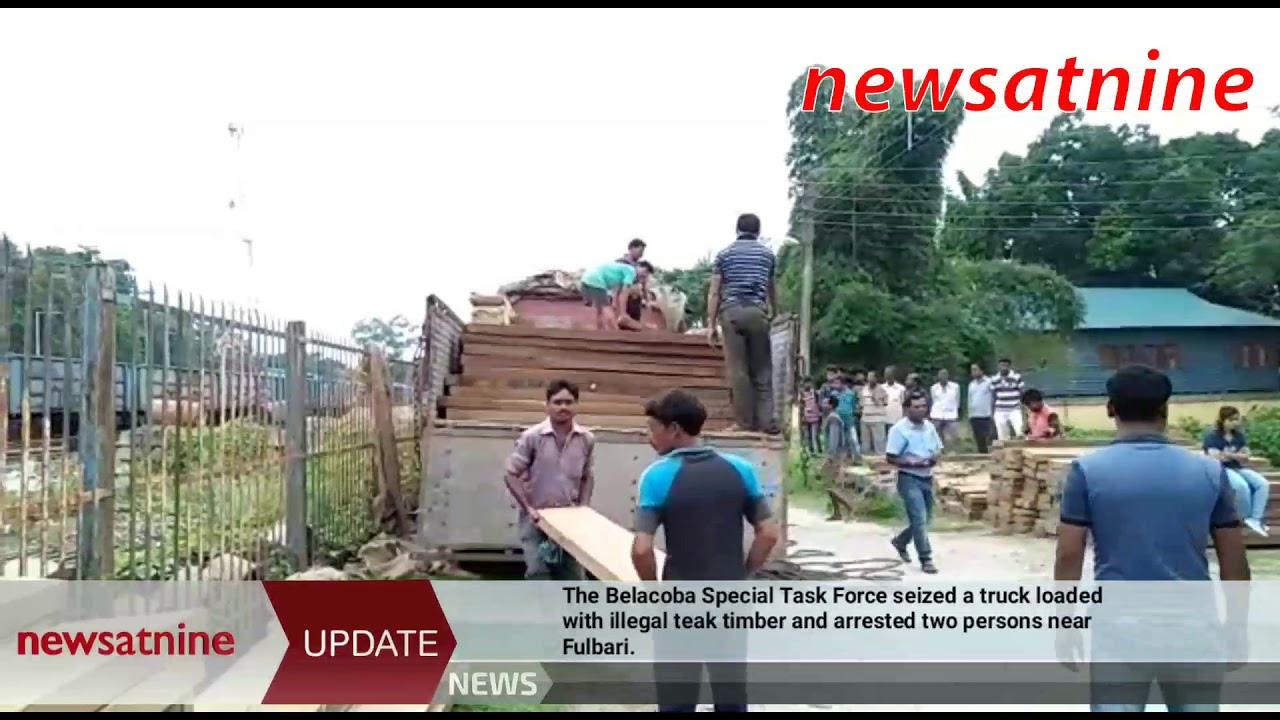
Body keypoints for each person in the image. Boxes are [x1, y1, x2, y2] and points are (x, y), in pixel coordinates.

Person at [1054, 366, 1250, 712]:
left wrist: (1066, 626)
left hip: (1119, 625)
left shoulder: (1087, 472)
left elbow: (1069, 555)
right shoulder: (1209, 472)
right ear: (1165, 409)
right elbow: (1234, 560)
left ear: (1110, 409)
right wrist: (1236, 628)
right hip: (1194, 624)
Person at [631, 389, 780, 712]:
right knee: (730, 695)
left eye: (653, 429)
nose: (649, 437)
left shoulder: (657, 476)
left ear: (674, 429)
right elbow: (768, 533)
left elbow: (642, 550)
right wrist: (743, 573)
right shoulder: (740, 469)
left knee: (677, 698)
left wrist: (653, 594)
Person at [503, 379, 596, 581]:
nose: (563, 407)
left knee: (573, 576)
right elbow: (511, 474)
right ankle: (541, 613)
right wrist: (528, 508)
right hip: (536, 519)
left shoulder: (586, 439)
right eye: (557, 402)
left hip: (569, 520)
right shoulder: (532, 437)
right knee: (538, 572)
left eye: (569, 402)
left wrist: (583, 508)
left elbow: (587, 476)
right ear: (547, 406)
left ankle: (571, 613)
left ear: (576, 405)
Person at [706, 213, 779, 434]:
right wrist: (774, 311)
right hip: (757, 313)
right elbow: (772, 287)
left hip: (732, 313)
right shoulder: (768, 255)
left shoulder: (724, 255)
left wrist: (711, 324)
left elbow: (714, 292)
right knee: (762, 370)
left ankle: (744, 423)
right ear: (758, 231)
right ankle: (767, 422)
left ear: (737, 229)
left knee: (738, 371)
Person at [887, 390, 944, 575]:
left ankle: (901, 541)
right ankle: (926, 558)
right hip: (909, 477)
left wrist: (934, 457)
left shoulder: (929, 427)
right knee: (919, 519)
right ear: (907, 409)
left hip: (927, 476)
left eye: (924, 406)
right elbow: (891, 457)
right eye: (916, 407)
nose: (921, 410)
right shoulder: (899, 430)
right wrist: (912, 462)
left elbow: (938, 448)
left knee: (925, 519)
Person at [1203, 406, 1270, 537]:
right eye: (1231, 419)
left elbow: (1246, 455)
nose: (1235, 422)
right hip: (1222, 469)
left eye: (1236, 419)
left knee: (1262, 484)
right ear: (1223, 420)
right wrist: (1236, 455)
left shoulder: (1239, 436)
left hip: (1238, 468)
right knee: (1241, 486)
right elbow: (1214, 457)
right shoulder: (1213, 437)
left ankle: (1255, 519)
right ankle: (1245, 518)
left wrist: (1229, 455)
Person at [581, 259, 652, 330]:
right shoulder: (631, 271)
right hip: (595, 280)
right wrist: (623, 314)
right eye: (644, 271)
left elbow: (619, 292)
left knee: (600, 310)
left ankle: (600, 331)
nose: (644, 274)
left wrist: (616, 305)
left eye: (646, 274)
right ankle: (616, 333)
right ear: (637, 266)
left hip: (586, 279)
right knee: (606, 308)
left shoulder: (625, 271)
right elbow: (624, 294)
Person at [991, 358, 1025, 441]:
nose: (1003, 368)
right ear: (998, 367)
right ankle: (1006, 452)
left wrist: (1023, 406)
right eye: (1001, 365)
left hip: (1014, 408)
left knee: (1020, 431)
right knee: (1002, 435)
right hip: (1000, 410)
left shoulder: (1016, 377)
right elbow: (993, 395)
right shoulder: (994, 379)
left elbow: (1022, 392)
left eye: (1006, 365)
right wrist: (992, 410)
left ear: (1009, 366)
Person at [967, 363, 996, 454]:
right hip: (974, 416)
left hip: (986, 415)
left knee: (989, 438)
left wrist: (993, 412)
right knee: (979, 439)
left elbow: (994, 397)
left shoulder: (989, 382)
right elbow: (969, 399)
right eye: (972, 370)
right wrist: (969, 414)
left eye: (975, 369)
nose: (973, 372)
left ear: (981, 370)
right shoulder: (971, 384)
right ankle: (982, 456)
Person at [859, 370, 890, 454]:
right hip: (865, 419)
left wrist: (876, 400)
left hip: (878, 419)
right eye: (868, 376)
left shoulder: (882, 389)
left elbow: (885, 403)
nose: (870, 378)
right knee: (865, 442)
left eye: (872, 377)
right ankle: (865, 459)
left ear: (876, 378)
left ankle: (881, 459)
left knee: (879, 442)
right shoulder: (864, 389)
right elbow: (861, 404)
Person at [929, 369, 960, 446]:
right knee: (937, 436)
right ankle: (940, 452)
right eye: (941, 375)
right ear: (938, 376)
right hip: (937, 414)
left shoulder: (955, 386)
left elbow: (957, 400)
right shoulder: (934, 388)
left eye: (945, 374)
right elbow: (933, 400)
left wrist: (956, 410)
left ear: (947, 376)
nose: (943, 376)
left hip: (951, 414)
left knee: (954, 436)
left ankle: (954, 452)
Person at [834, 375, 862, 460]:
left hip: (849, 420)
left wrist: (855, 414)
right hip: (838, 421)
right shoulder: (833, 394)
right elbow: (831, 407)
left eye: (837, 383)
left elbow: (855, 406)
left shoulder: (851, 393)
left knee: (853, 439)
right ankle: (842, 458)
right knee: (840, 440)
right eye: (834, 383)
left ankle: (857, 457)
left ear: (843, 384)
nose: (835, 385)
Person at [799, 380, 823, 454]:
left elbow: (819, 403)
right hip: (806, 417)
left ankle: (819, 450)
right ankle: (811, 450)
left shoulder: (815, 393)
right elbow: (801, 405)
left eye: (809, 383)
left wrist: (820, 413)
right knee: (808, 435)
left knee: (815, 435)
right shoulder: (802, 394)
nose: (807, 385)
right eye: (806, 383)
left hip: (815, 417)